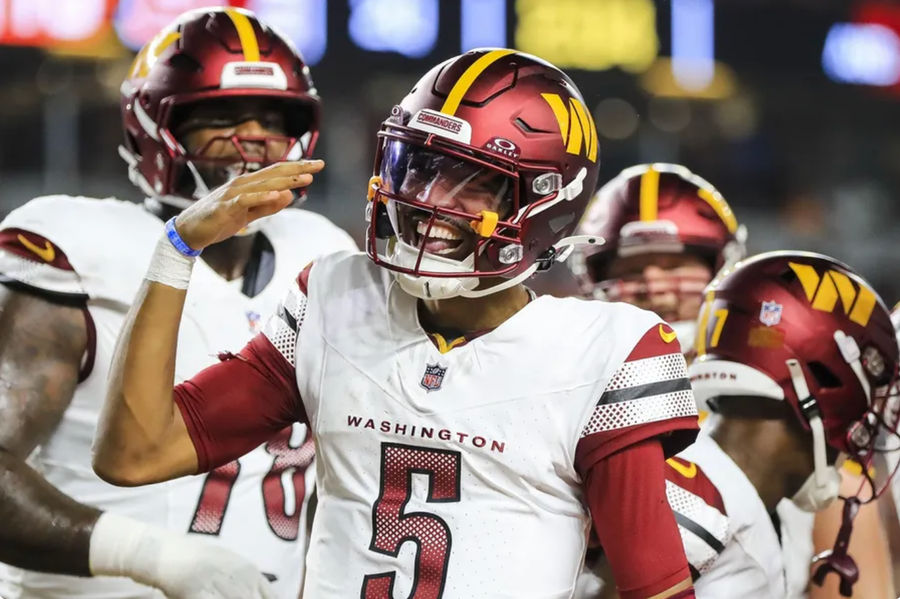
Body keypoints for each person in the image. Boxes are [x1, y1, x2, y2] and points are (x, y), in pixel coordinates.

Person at [95, 48, 701, 598]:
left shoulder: (602, 353)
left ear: (545, 203)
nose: (430, 200)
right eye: (419, 166)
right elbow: (135, 454)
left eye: (476, 184)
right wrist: (177, 248)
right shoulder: (333, 298)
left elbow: (657, 590)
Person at [0, 7, 355, 599]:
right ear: (156, 129)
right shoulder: (76, 249)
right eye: (219, 117)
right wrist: (150, 557)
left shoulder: (319, 251)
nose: (255, 140)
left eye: (275, 119)